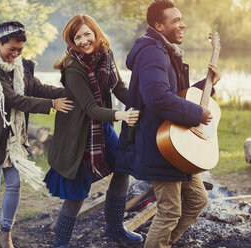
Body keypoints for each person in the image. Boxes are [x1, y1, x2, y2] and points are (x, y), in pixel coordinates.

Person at [114, 0, 222, 247]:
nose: (182, 24)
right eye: (175, 20)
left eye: (181, 19)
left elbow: (175, 94)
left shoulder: (164, 51)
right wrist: (197, 114)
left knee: (196, 200)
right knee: (170, 210)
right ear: (159, 26)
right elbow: (158, 98)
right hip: (160, 143)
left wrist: (209, 85)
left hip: (176, 143)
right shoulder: (153, 52)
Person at [0, 21, 73, 248]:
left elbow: (38, 88)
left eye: (19, 50)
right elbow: (12, 98)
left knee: (14, 184)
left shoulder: (21, 67)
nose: (15, 54)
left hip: (13, 136)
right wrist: (52, 104)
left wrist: (72, 93)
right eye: (11, 49)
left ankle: (6, 234)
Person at [45, 14, 143, 247]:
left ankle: (114, 227)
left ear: (96, 33)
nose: (83, 40)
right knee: (76, 195)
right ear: (71, 41)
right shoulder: (73, 68)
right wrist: (121, 115)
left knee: (122, 167)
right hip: (77, 134)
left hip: (102, 128)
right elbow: (90, 108)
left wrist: (141, 104)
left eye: (87, 34)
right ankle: (60, 244)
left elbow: (118, 87)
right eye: (76, 37)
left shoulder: (106, 56)